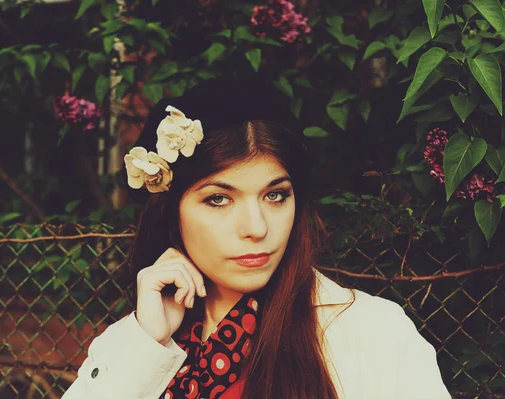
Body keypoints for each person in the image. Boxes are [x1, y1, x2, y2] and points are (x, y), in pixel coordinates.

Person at [62, 78, 452, 399]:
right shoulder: (137, 340)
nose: (257, 227)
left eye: (275, 195)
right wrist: (146, 342)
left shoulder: (374, 333)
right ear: (171, 210)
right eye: (219, 199)